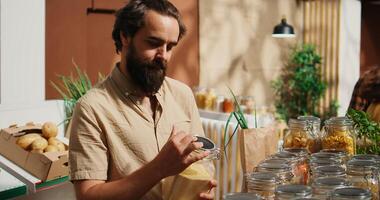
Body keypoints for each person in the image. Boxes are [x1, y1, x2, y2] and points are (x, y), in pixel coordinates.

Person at [68, 0, 216, 199]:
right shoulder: (91, 108)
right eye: (154, 43)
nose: (163, 55)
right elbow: (88, 195)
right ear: (125, 36)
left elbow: (199, 164)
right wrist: (159, 168)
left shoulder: (183, 94)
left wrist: (200, 190)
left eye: (170, 46)